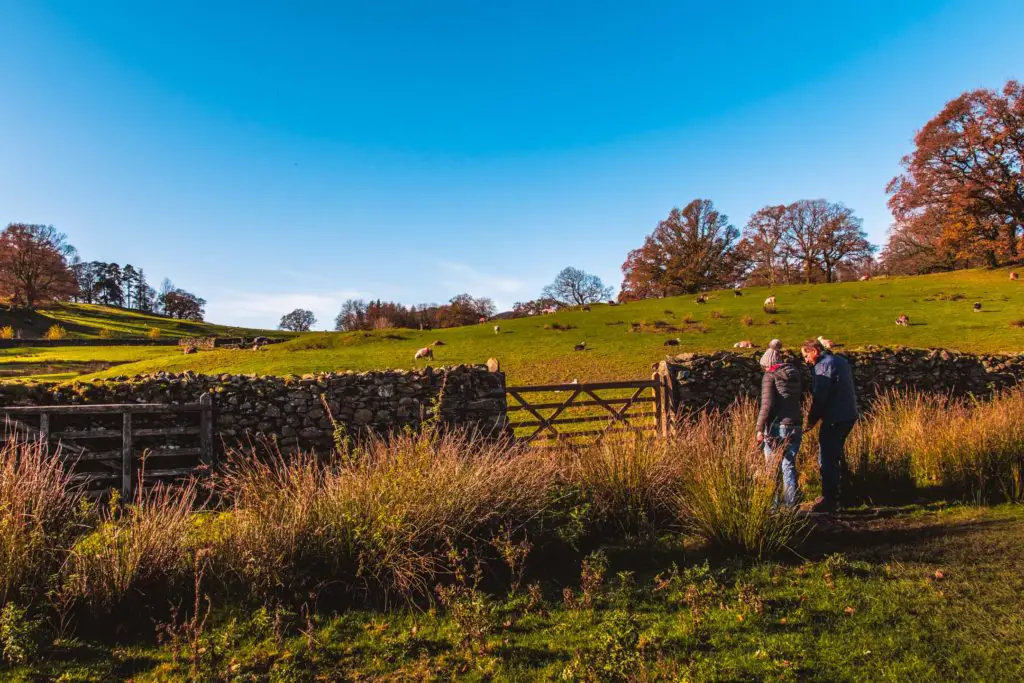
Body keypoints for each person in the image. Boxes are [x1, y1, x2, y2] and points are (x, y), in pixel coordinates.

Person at [801, 338, 859, 513]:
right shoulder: (839, 360)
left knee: (826, 456)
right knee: (836, 453)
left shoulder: (823, 367)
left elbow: (820, 397)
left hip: (835, 416)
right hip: (848, 413)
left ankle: (830, 498)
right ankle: (845, 493)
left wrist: (810, 421)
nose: (806, 360)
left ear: (814, 351)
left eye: (806, 355)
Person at [755, 339, 804, 507]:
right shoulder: (795, 374)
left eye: (764, 367)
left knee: (772, 467)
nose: (764, 370)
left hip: (777, 426)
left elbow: (767, 405)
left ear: (768, 364)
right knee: (788, 464)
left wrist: (759, 428)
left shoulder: (770, 376)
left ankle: (773, 506)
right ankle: (792, 506)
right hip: (796, 424)